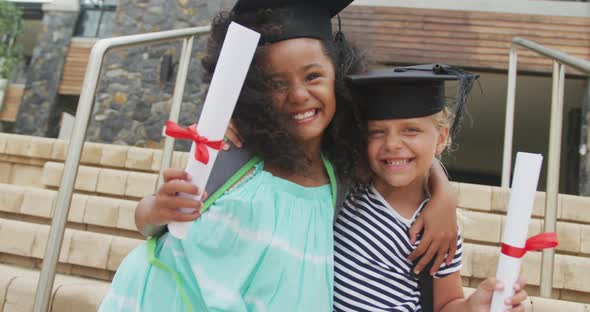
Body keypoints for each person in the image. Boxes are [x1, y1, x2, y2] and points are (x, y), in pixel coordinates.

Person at [101, 1, 460, 311]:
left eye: (314, 76)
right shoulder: (232, 152)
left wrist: (444, 197)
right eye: (276, 83)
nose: (299, 95)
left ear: (339, 79)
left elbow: (399, 160)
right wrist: (156, 208)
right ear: (254, 92)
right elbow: (151, 223)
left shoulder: (342, 166)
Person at [333, 64, 527, 311]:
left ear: (442, 137)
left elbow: (445, 304)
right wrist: (445, 191)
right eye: (377, 132)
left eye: (410, 130)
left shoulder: (439, 230)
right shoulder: (349, 188)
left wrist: (472, 307)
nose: (392, 144)